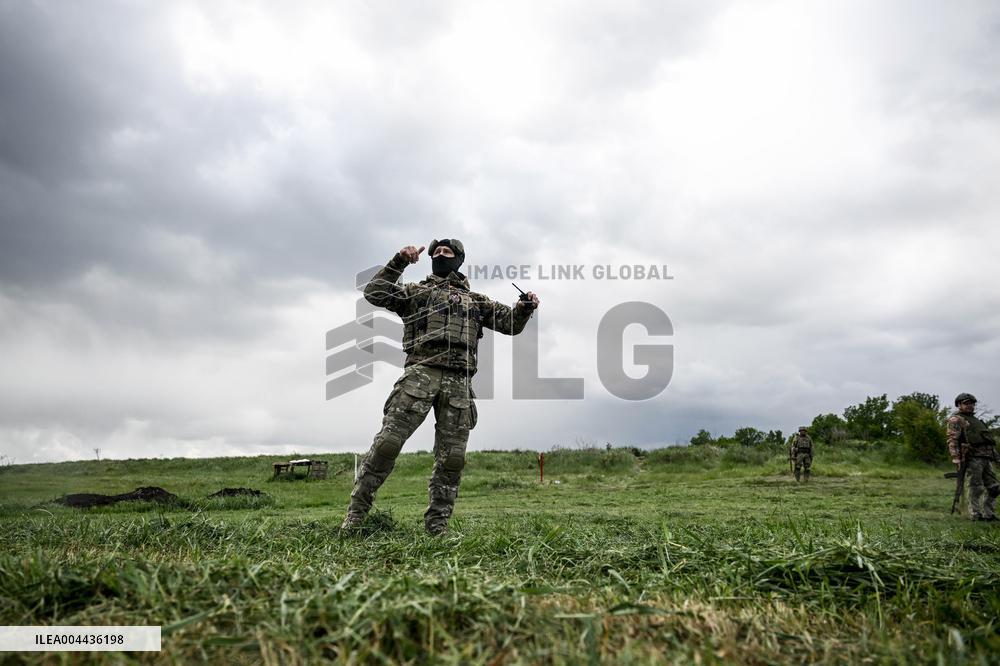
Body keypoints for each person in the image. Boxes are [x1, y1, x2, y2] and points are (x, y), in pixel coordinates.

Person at [342, 239, 539, 535]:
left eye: (446, 252)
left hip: (459, 382)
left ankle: (437, 525)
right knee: (387, 444)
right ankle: (355, 516)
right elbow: (375, 293)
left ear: (459, 259)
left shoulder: (477, 301)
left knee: (453, 458)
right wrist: (399, 261)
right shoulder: (416, 293)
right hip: (420, 374)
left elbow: (510, 323)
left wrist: (524, 307)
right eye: (436, 252)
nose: (439, 255)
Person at [947, 393, 999, 521]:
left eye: (972, 403)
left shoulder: (977, 421)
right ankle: (975, 514)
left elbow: (987, 441)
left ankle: (989, 514)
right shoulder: (956, 419)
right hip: (972, 457)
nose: (970, 406)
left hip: (986, 457)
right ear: (959, 405)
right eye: (966, 403)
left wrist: (997, 457)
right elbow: (952, 440)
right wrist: (956, 458)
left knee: (995, 487)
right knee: (976, 487)